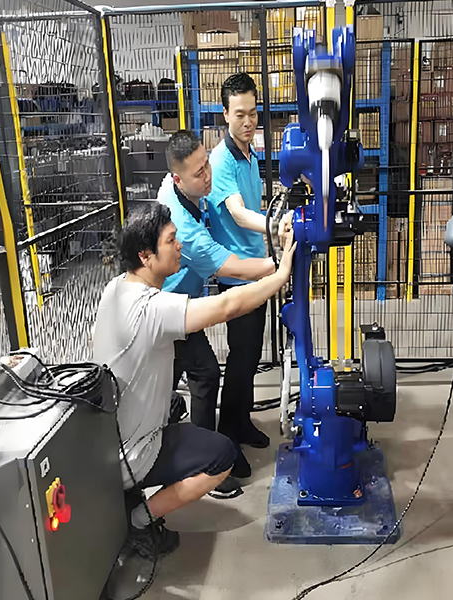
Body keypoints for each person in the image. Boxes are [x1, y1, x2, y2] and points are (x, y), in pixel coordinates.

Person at [92, 202, 295, 560]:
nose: (179, 245)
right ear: (146, 255)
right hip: (133, 454)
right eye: (171, 241)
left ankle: (130, 496)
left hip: (106, 442)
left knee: (177, 402)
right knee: (222, 456)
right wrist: (279, 276)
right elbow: (226, 306)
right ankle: (139, 520)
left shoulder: (115, 289)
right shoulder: (151, 309)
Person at [158, 129, 291, 498]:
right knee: (202, 374)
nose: (208, 176)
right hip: (167, 310)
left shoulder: (182, 188)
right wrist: (280, 263)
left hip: (182, 302)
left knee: (183, 380)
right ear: (178, 178)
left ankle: (191, 449)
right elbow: (230, 267)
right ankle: (203, 466)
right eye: (199, 172)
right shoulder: (184, 230)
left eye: (207, 164)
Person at [205, 73, 271, 479]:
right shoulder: (221, 161)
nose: (248, 122)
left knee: (250, 357)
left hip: (257, 269)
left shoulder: (250, 153)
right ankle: (228, 437)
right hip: (236, 275)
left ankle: (242, 421)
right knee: (240, 357)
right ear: (225, 114)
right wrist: (278, 226)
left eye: (253, 113)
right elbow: (238, 213)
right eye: (240, 114)